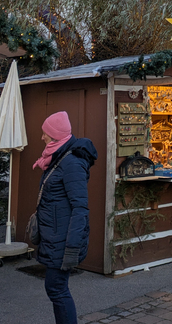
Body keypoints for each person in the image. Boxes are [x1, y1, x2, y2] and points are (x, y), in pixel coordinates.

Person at [34, 111, 98, 324]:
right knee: (56, 289)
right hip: (56, 236)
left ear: (55, 136)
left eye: (45, 133)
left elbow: (80, 208)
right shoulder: (57, 157)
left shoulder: (71, 162)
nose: (42, 137)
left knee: (57, 289)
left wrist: (72, 248)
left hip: (63, 240)